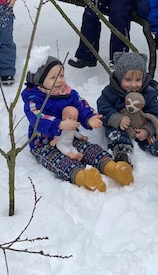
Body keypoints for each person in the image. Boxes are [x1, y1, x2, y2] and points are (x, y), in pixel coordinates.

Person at [22, 56, 134, 192]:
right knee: (60, 162)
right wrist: (59, 125)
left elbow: (81, 106)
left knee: (90, 149)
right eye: (53, 78)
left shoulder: (69, 94)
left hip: (70, 137)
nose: (60, 80)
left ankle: (113, 168)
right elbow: (36, 117)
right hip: (44, 142)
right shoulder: (34, 99)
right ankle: (83, 177)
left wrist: (89, 118)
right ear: (39, 80)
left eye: (62, 75)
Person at [96, 51, 158, 165]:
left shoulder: (148, 92)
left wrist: (147, 129)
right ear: (120, 78)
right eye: (128, 80)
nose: (133, 85)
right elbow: (103, 108)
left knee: (153, 138)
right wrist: (117, 119)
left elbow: (154, 113)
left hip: (141, 125)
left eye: (138, 80)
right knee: (116, 135)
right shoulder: (110, 92)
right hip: (121, 127)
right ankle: (122, 153)